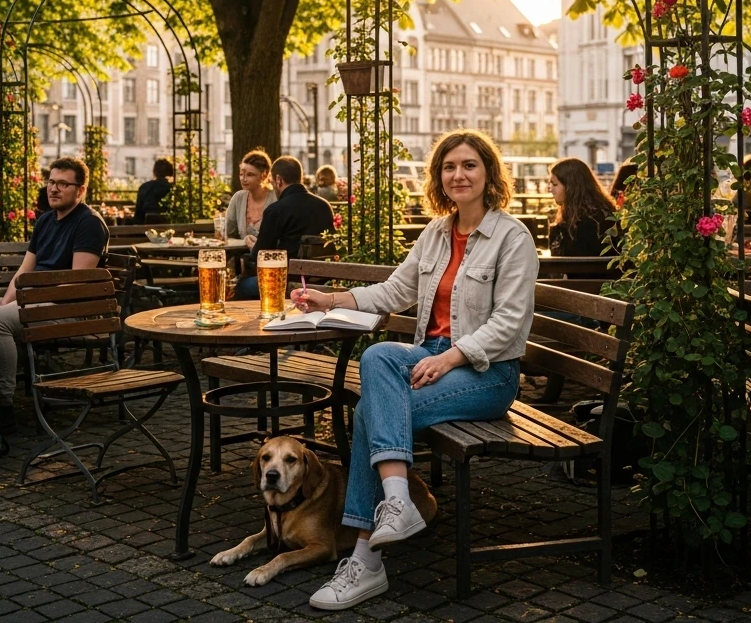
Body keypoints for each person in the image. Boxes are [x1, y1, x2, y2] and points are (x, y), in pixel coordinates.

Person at [291, 130, 536, 610]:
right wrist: (331, 298)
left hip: (488, 373)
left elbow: (510, 322)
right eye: (449, 167)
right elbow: (392, 292)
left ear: (488, 173)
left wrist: (450, 357)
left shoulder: (513, 236)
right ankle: (398, 502)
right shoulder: (437, 233)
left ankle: (365, 560)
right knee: (380, 355)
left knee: (369, 415)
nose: (458, 174)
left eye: (468, 165)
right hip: (433, 358)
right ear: (438, 177)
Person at [0, 157, 109, 433]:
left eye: (63, 184)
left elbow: (75, 285)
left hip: (68, 312)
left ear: (80, 190)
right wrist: (7, 301)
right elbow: (23, 271)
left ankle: (3, 404)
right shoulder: (45, 221)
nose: (54, 189)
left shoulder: (88, 223)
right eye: (51, 182)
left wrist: (23, 301)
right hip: (37, 303)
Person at [235, 156, 334, 300]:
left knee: (241, 285)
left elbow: (259, 257)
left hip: (286, 282)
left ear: (279, 179)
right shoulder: (324, 206)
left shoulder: (276, 210)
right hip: (322, 281)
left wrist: (253, 247)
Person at [547, 158, 617, 256]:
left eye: (555, 184)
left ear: (571, 187)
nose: (550, 189)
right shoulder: (599, 212)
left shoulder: (588, 222)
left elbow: (569, 258)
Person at [224, 149, 277, 247]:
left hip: (269, 258)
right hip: (241, 258)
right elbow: (226, 233)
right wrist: (244, 242)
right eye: (241, 174)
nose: (243, 179)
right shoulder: (238, 198)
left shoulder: (276, 199)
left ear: (264, 175)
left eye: (250, 175)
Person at [134, 158, 174, 224]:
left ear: (154, 172)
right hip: (167, 226)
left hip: (145, 226)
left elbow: (138, 214)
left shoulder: (144, 187)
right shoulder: (172, 188)